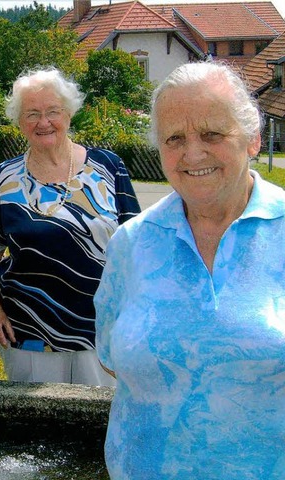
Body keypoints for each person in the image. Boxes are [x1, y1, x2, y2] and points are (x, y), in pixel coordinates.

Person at [95, 61, 285, 479]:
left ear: (253, 139)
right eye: (174, 138)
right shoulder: (131, 244)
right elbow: (111, 357)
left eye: (212, 134)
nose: (192, 153)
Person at [0, 67, 140, 385]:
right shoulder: (3, 179)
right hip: (30, 333)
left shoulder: (108, 168)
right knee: (38, 431)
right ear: (20, 121)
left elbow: (137, 247)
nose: (43, 122)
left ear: (68, 114)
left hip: (101, 329)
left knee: (98, 427)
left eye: (52, 111)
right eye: (32, 113)